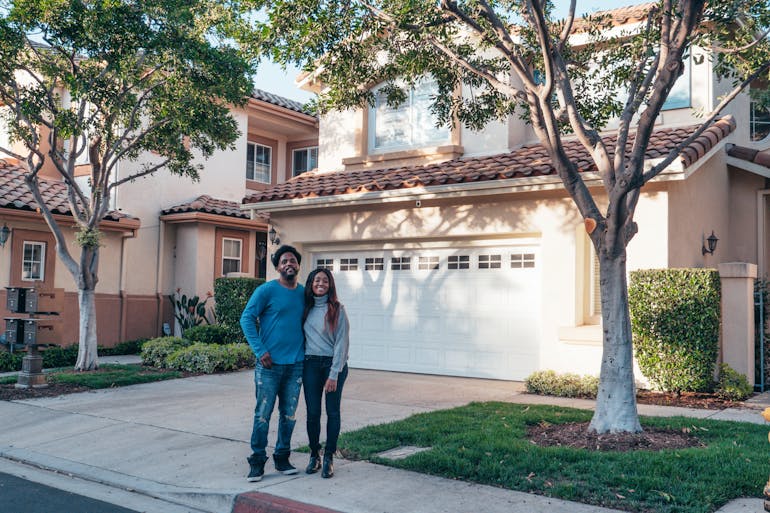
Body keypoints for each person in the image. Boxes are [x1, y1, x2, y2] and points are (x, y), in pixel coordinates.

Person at [240, 245, 305, 482]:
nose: (289, 264)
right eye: (284, 261)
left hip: (296, 365)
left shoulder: (303, 293)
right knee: (263, 415)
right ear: (278, 267)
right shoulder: (266, 290)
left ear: (298, 265)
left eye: (293, 261)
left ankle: (282, 458)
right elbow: (246, 318)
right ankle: (257, 462)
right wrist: (260, 350)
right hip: (268, 366)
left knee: (289, 415)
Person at [302, 268, 350, 478]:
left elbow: (342, 343)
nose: (320, 283)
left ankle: (329, 456)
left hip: (333, 365)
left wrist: (334, 374)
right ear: (310, 283)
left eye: (325, 280)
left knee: (333, 412)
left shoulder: (338, 309)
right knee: (313, 413)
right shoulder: (305, 308)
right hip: (310, 364)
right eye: (316, 280)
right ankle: (315, 454)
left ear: (330, 285)